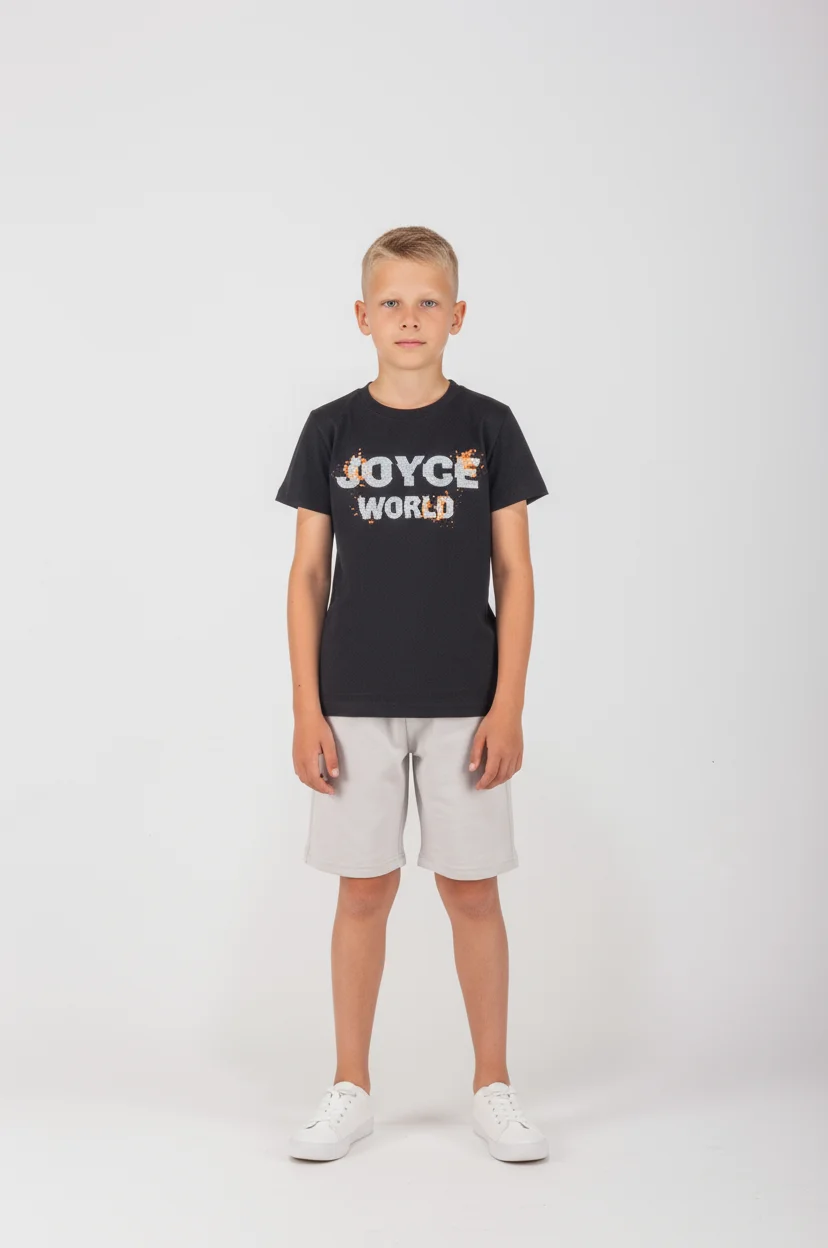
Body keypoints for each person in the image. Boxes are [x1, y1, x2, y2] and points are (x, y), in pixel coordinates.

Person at [275, 225, 550, 1163]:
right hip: (351, 700)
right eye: (390, 301)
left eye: (427, 301)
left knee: (472, 892)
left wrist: (508, 703)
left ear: (457, 316)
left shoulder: (488, 426)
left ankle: (493, 1087)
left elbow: (515, 572)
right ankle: (350, 1088)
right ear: (362, 316)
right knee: (363, 891)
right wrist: (306, 707)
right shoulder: (331, 429)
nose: (409, 317)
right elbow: (306, 575)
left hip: (466, 702)